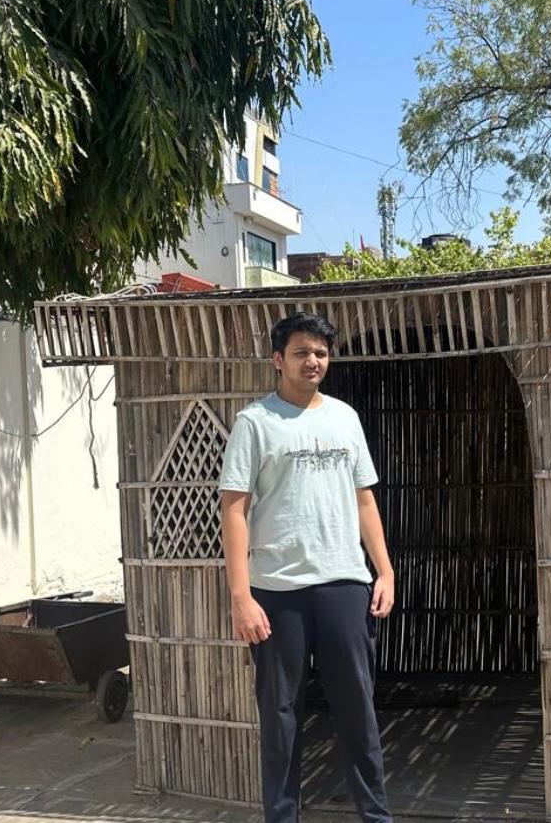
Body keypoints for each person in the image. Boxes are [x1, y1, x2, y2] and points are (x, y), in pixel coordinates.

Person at [219, 311, 395, 823]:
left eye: (320, 352)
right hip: (276, 594)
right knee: (280, 719)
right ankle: (282, 817)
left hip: (344, 586)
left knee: (358, 713)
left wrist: (383, 571)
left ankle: (376, 817)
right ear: (278, 360)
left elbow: (364, 500)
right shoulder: (256, 422)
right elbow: (234, 508)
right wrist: (241, 596)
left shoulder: (345, 418)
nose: (312, 361)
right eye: (301, 352)